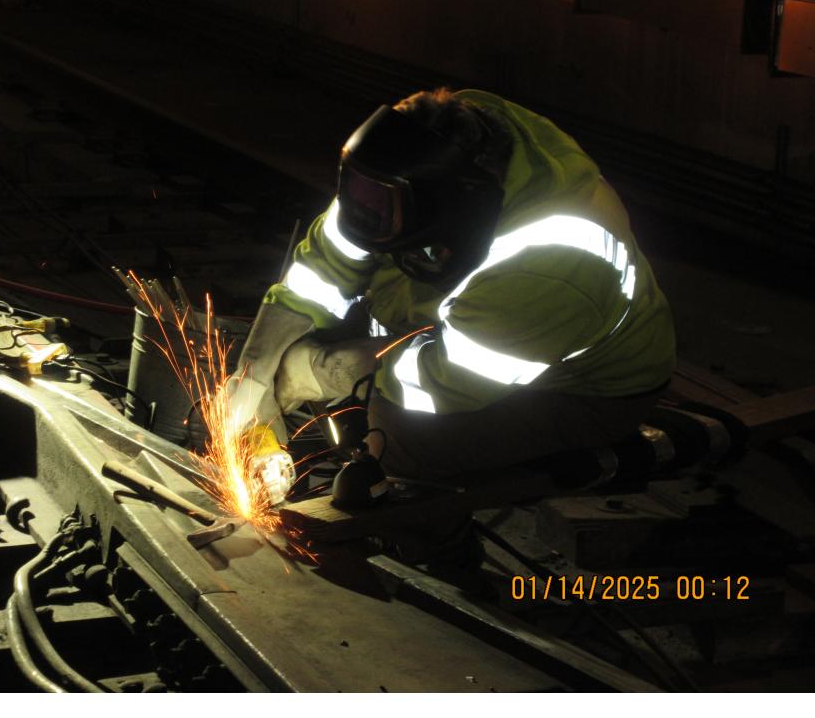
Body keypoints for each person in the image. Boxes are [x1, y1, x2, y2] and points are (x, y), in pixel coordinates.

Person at [231, 87, 676, 502]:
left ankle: (444, 550)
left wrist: (325, 371)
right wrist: (256, 367)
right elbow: (324, 265)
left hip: (585, 390)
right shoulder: (415, 162)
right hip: (483, 329)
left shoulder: (551, 259)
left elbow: (446, 383)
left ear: (456, 218)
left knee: (400, 435)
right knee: (321, 346)